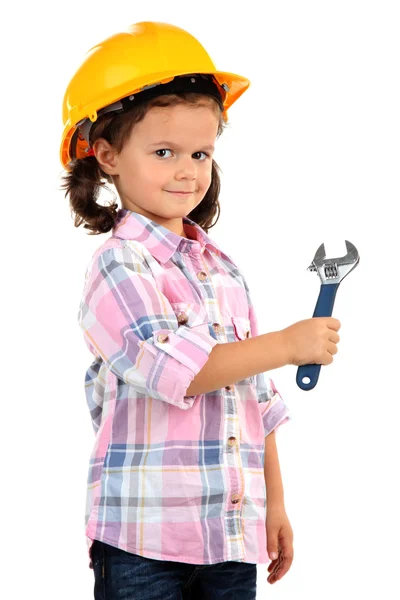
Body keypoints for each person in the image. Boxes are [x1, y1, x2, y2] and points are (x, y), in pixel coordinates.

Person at [60, 21, 341, 599]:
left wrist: (276, 504)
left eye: (201, 152)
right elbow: (171, 368)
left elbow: (254, 401)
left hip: (231, 536)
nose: (187, 170)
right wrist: (289, 344)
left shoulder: (224, 270)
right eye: (164, 152)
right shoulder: (119, 266)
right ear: (107, 154)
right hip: (142, 542)